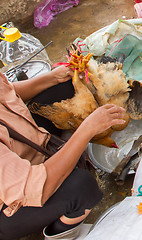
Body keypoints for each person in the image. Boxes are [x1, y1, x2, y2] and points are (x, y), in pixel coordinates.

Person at [0, 66, 126, 240]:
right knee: (82, 186)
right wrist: (87, 129)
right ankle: (60, 232)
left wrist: (51, 78)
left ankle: (56, 152)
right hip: (13, 203)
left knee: (67, 87)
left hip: (24, 146)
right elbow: (37, 187)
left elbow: (7, 90)